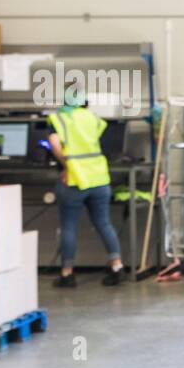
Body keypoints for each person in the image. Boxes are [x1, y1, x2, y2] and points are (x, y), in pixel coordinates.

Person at [46, 90, 126, 287]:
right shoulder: (93, 118)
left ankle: (67, 273)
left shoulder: (59, 118)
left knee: (69, 226)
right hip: (99, 178)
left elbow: (54, 143)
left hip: (74, 179)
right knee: (103, 223)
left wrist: (66, 164)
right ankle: (117, 266)